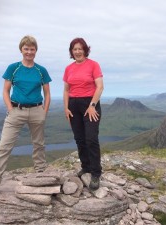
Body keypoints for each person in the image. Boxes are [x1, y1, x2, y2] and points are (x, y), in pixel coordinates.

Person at [0, 35, 52, 197]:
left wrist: (44, 112)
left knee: (39, 144)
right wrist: (10, 108)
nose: (29, 52)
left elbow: (47, 93)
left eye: (32, 49)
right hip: (16, 110)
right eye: (26, 48)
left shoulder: (41, 70)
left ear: (36, 50)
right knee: (4, 146)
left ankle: (41, 173)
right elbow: (5, 90)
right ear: (21, 50)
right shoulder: (13, 68)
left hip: (36, 110)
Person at [63, 38, 104, 190]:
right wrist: (66, 108)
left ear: (85, 50)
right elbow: (67, 90)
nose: (78, 51)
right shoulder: (69, 68)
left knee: (91, 139)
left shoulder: (93, 65)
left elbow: (99, 87)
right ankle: (85, 167)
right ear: (71, 51)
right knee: (80, 139)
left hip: (90, 103)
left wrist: (92, 105)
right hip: (73, 104)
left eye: (80, 48)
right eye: (75, 49)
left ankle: (95, 173)